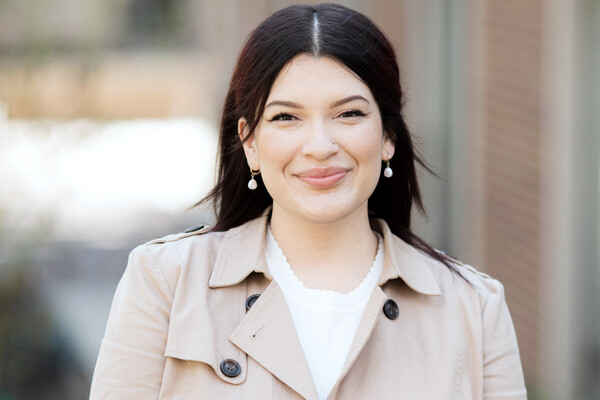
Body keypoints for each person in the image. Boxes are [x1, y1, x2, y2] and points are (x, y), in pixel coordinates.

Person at [90, 3, 527, 399]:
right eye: (286, 117)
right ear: (250, 142)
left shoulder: (474, 309)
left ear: (388, 137)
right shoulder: (165, 284)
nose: (320, 146)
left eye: (349, 114)